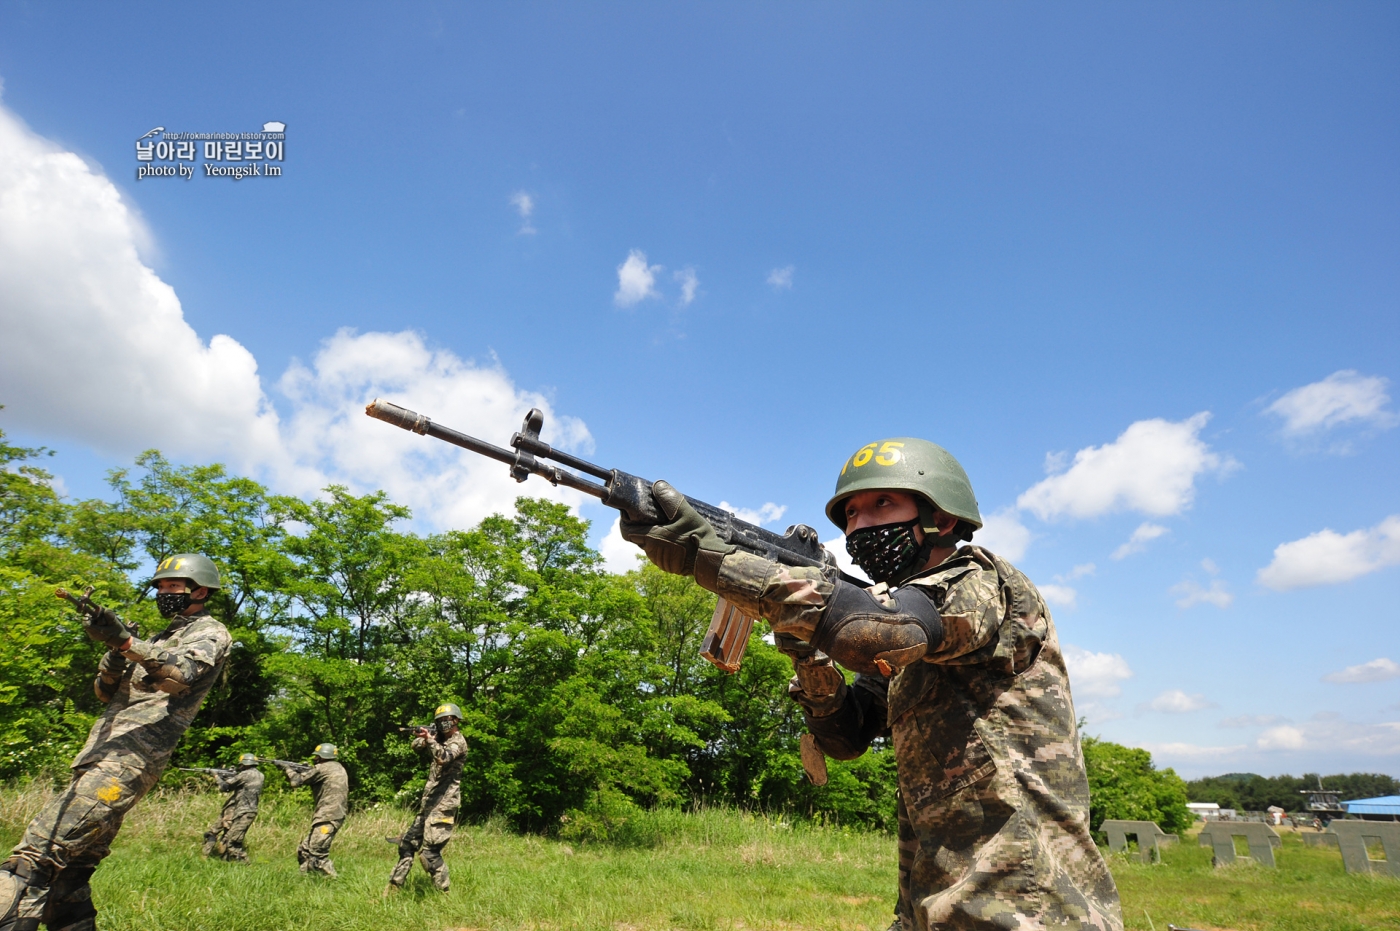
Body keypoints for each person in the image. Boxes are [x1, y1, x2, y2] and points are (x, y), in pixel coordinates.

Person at [622, 438, 1123, 931]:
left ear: (941, 519)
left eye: (882, 503)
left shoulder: (981, 582)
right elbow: (848, 735)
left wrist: (713, 561)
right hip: (936, 906)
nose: (860, 524)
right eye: (852, 514)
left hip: (1029, 905)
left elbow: (877, 633)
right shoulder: (903, 632)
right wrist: (806, 655)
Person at [0, 554, 232, 931]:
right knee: (69, 874)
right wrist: (113, 654)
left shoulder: (210, 632)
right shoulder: (158, 637)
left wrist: (126, 641)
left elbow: (180, 676)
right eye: (159, 586)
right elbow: (105, 694)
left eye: (172, 586)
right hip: (100, 756)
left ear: (200, 590)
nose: (163, 592)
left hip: (129, 761)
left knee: (32, 860)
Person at [384, 703, 468, 894]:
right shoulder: (438, 737)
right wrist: (426, 737)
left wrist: (430, 740)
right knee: (406, 845)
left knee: (429, 854)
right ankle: (393, 889)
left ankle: (444, 894)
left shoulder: (458, 741)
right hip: (429, 803)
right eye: (439, 721)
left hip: (444, 805)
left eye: (445, 720)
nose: (442, 724)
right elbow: (416, 747)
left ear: (455, 720)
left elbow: (443, 757)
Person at [279, 744, 348, 878]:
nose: (315, 759)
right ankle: (306, 879)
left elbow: (296, 782)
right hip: (332, 815)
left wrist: (287, 769)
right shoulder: (338, 767)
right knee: (304, 851)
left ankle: (332, 880)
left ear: (323, 756)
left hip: (328, 816)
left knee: (317, 854)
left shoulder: (322, 768)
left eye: (317, 756)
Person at [202, 754, 264, 863]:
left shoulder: (245, 774)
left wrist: (216, 776)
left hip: (242, 812)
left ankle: (246, 865)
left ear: (244, 764)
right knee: (230, 839)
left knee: (232, 843)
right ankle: (226, 862)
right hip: (248, 812)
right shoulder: (260, 775)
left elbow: (225, 787)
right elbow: (242, 787)